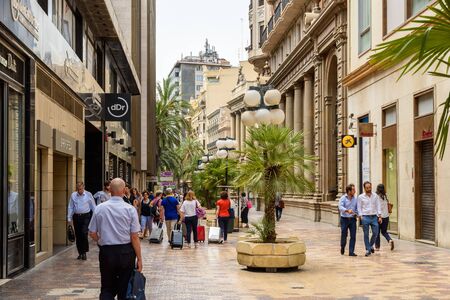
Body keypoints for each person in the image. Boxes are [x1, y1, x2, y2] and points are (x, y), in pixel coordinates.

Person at [88, 178, 142, 300]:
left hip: (107, 252)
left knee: (107, 287)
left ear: (110, 190)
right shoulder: (130, 209)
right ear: (124, 191)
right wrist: (139, 258)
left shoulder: (100, 208)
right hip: (126, 252)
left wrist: (100, 241)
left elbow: (92, 232)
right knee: (124, 288)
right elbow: (134, 236)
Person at [67, 182, 96, 260]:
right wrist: (69, 218)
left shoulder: (88, 194)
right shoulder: (73, 195)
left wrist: (96, 216)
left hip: (86, 216)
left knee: (84, 233)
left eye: (81, 189)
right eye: (78, 189)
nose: (79, 191)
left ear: (83, 187)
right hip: (76, 217)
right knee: (78, 235)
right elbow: (71, 207)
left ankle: (85, 252)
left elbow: (93, 206)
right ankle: (80, 253)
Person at [357, 181, 382, 257]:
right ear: (364, 188)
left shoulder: (375, 196)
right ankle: (368, 250)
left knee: (375, 233)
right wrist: (361, 216)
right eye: (367, 188)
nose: (369, 189)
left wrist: (380, 216)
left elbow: (378, 205)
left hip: (374, 217)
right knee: (366, 234)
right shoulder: (361, 197)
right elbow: (359, 207)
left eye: (370, 187)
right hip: (365, 217)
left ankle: (370, 246)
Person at [338, 184, 358, 256]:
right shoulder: (343, 198)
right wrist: (347, 210)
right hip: (344, 219)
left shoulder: (355, 199)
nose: (355, 191)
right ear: (349, 191)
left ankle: (351, 252)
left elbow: (357, 208)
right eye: (353, 190)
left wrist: (357, 213)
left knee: (353, 236)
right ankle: (342, 246)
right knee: (344, 234)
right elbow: (340, 207)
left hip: (352, 219)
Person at [375, 184, 394, 251]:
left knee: (377, 232)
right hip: (386, 216)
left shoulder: (376, 196)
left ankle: (377, 247)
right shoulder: (386, 195)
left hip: (379, 216)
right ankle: (390, 240)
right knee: (384, 231)